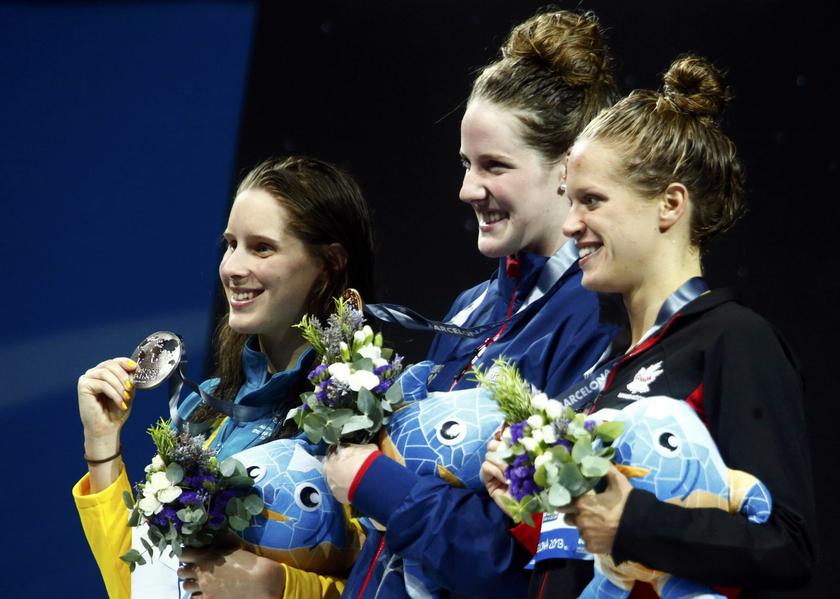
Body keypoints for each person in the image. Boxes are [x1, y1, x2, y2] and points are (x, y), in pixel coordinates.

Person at [485, 55, 817, 598]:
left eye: (592, 200)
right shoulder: (612, 360)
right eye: (570, 201)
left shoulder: (736, 340)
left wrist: (631, 522)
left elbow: (787, 545)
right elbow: (605, 560)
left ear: (669, 204)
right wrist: (526, 508)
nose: (571, 224)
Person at [324, 9, 619, 598]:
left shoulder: (598, 318)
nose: (466, 189)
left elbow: (530, 569)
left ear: (567, 169)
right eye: (465, 164)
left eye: (494, 166)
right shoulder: (470, 308)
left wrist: (380, 486)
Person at [72, 156, 376, 599]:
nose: (232, 267)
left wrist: (282, 588)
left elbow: (398, 582)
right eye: (231, 243)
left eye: (262, 248)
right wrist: (102, 446)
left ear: (328, 264)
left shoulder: (369, 406)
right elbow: (142, 587)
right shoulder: (205, 409)